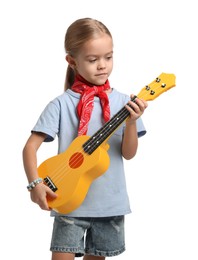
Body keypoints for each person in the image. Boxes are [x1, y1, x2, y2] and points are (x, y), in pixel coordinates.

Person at [22, 17, 148, 260]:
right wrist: (35, 184)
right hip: (67, 200)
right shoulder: (60, 104)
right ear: (72, 61)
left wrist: (131, 123)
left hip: (109, 205)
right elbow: (30, 148)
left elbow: (128, 154)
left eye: (108, 57)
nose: (102, 65)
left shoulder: (124, 103)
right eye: (93, 60)